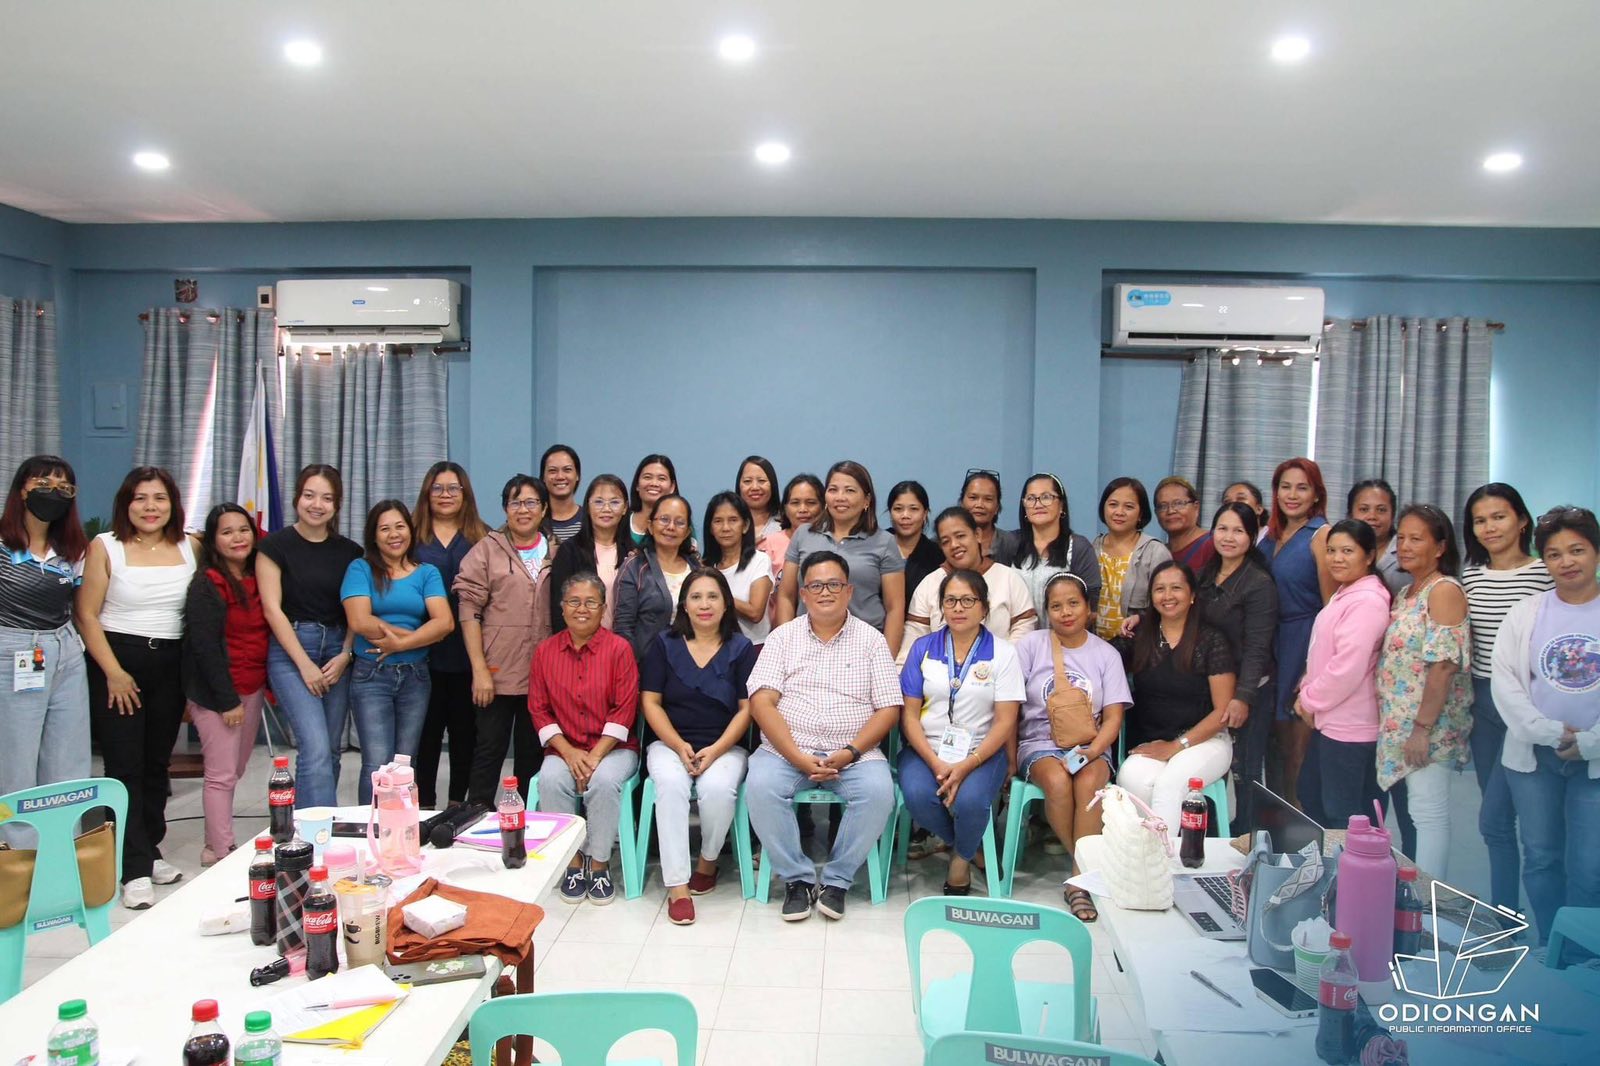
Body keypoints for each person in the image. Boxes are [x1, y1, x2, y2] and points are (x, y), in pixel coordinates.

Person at [746, 551, 901, 921]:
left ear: (849, 591)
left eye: (834, 584)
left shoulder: (872, 640)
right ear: (803, 594)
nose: (825, 592)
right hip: (787, 751)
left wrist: (850, 752)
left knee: (879, 793)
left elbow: (888, 709)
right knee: (761, 787)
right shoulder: (782, 637)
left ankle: (837, 880)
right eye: (816, 586)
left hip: (855, 754)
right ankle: (797, 879)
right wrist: (797, 756)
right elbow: (762, 702)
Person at [76, 466, 197, 909]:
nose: (150, 507)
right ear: (126, 504)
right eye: (140, 498)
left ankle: (149, 849)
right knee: (124, 767)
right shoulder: (105, 546)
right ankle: (132, 869)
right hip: (118, 665)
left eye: (159, 498)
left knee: (156, 765)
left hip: (171, 666)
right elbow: (86, 615)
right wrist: (113, 671)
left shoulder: (190, 546)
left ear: (172, 504)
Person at [1492, 506, 1600, 944]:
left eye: (1577, 550)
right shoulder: (1526, 613)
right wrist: (1549, 732)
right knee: (1540, 857)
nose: (1566, 562)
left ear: (1596, 552)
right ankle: (1553, 946)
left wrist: (1590, 742)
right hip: (1536, 758)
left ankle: (1583, 952)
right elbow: (1505, 682)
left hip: (1595, 762)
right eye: (1554, 554)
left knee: (1589, 866)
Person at [639, 568, 756, 925]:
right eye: (696, 597)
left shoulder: (742, 648)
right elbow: (650, 702)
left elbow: (746, 709)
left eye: (713, 597)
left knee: (718, 789)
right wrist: (678, 746)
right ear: (684, 605)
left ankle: (707, 862)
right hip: (669, 743)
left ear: (726, 604)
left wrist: (717, 749)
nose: (705, 605)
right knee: (671, 785)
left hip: (725, 745)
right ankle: (677, 886)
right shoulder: (664, 644)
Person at [898, 569, 1022, 895]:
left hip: (982, 751)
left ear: (984, 607)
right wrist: (936, 762)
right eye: (950, 600)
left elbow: (1006, 721)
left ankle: (960, 860)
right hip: (926, 749)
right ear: (941, 607)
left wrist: (967, 764)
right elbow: (909, 716)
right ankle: (968, 847)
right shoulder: (922, 648)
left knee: (971, 802)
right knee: (918, 796)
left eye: (968, 600)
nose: (958, 608)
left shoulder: (1004, 653)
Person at [1014, 573, 1130, 921]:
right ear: (1046, 611)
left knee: (1089, 783)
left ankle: (1078, 882)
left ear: (1088, 608)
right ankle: (1089, 873)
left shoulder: (1106, 654)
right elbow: (1009, 705)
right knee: (1058, 781)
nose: (1065, 612)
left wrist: (1093, 751)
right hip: (1039, 743)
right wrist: (1007, 758)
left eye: (1073, 604)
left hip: (1092, 743)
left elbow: (1113, 718)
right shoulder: (1031, 646)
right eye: (1056, 606)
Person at [1461, 482, 1552, 910]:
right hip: (1483, 703)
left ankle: (1538, 920)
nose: (1489, 527)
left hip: (1528, 703)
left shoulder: (1545, 573)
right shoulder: (1471, 576)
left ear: (1522, 520)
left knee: (1508, 819)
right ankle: (1505, 916)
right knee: (1497, 823)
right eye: (1480, 520)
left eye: (1499, 517)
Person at [257, 464, 362, 809]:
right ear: (297, 498)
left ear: (337, 504)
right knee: (314, 747)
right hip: (292, 651)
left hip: (337, 652)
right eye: (309, 495)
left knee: (330, 749)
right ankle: (316, 833)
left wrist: (346, 653)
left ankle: (316, 823)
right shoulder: (274, 546)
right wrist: (304, 665)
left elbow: (355, 609)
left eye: (327, 498)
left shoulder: (350, 552)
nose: (317, 505)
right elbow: (272, 610)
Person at [532, 572, 640, 906]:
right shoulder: (545, 651)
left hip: (615, 748)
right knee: (550, 779)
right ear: (562, 607)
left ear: (603, 608)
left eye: (591, 602)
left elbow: (625, 709)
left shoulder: (619, 649)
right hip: (564, 748)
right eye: (574, 602)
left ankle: (600, 863)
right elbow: (538, 709)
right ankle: (573, 862)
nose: (582, 609)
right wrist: (569, 752)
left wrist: (594, 756)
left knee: (604, 781)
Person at [1376, 504, 1472, 878]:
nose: (1404, 546)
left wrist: (1422, 729)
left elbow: (1443, 666)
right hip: (1402, 725)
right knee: (1417, 813)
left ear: (1440, 547)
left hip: (1429, 727)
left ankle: (1432, 901)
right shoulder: (1407, 593)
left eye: (1416, 539)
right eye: (1401, 538)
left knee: (1428, 814)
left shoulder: (1444, 590)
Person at [1114, 561, 1237, 839]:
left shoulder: (1211, 640)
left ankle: (1163, 859)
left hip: (1206, 741)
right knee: (1130, 777)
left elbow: (1222, 712)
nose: (1167, 596)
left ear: (1192, 595)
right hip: (1155, 741)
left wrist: (1175, 746)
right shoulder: (1140, 636)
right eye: (1160, 589)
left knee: (1170, 784)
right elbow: (1100, 656)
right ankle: (1155, 850)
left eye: (1176, 588)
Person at [341, 500, 453, 805]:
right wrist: (420, 636)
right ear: (373, 536)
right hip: (371, 674)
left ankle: (401, 828)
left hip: (416, 676)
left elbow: (444, 623)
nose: (394, 534)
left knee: (406, 763)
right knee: (376, 763)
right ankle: (372, 828)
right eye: (384, 528)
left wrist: (401, 644)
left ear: (410, 531)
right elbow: (359, 621)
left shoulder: (427, 573)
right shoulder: (361, 569)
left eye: (400, 526)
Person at [456, 475, 558, 805]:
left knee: (532, 753)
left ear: (544, 509)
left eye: (531, 502)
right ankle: (477, 814)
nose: (523, 510)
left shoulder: (557, 551)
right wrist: (479, 670)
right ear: (505, 508)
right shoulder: (487, 550)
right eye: (515, 502)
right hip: (496, 672)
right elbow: (468, 611)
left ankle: (526, 821)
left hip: (542, 674)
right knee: (489, 749)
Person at [182, 504, 269, 866]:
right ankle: (222, 852)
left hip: (252, 686)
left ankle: (211, 844)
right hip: (219, 694)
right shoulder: (207, 583)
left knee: (235, 770)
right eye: (227, 532)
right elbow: (204, 647)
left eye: (243, 530)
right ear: (214, 540)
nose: (238, 538)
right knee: (220, 775)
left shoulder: (259, 576)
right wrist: (227, 701)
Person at [0, 456, 90, 799]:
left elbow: (82, 609)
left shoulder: (74, 549)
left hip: (65, 652)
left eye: (63, 487)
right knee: (16, 759)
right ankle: (16, 834)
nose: (53, 492)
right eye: (42, 484)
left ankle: (63, 829)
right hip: (13, 650)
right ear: (22, 490)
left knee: (69, 758)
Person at [1292, 520, 1391, 829]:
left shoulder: (1368, 601)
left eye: (1347, 551)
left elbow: (1348, 667)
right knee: (1313, 797)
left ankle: (1352, 863)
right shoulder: (1347, 592)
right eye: (1331, 551)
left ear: (1369, 555)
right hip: (1332, 720)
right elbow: (1323, 654)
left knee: (1344, 814)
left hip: (1351, 727)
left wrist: (1308, 699)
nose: (1336, 558)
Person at [1195, 502, 1279, 831]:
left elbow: (1259, 647)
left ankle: (1246, 840)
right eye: (1222, 529)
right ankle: (1215, 837)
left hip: (1249, 690)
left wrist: (1243, 697)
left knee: (1244, 771)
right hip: (1213, 687)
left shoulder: (1258, 583)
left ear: (1252, 536)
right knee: (1214, 770)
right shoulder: (1206, 574)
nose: (1228, 537)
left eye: (1238, 531)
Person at [412, 461, 488, 809]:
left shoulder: (483, 537)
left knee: (465, 738)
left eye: (453, 488)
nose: (445, 495)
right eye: (438, 488)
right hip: (420, 655)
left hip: (468, 655)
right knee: (424, 739)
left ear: (465, 493)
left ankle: (457, 807)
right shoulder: (411, 537)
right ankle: (423, 808)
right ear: (427, 493)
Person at [1260, 457, 1334, 808]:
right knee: (1271, 747)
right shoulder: (1269, 535)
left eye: (1302, 488)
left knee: (1296, 751)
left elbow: (1331, 607)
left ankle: (1301, 824)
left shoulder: (1321, 535)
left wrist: (1311, 666)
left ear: (1316, 494)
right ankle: (1274, 822)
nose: (1292, 495)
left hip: (1303, 641)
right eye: (1285, 487)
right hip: (1268, 643)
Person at [777, 460, 907, 657]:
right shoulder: (803, 534)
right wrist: (787, 646)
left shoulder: (884, 541)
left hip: (863, 646)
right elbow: (786, 596)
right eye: (833, 490)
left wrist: (885, 658)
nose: (840, 497)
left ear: (867, 500)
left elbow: (895, 608)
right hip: (807, 645)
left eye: (849, 490)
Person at [903, 507, 1036, 657]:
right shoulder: (929, 584)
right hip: (940, 668)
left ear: (977, 534)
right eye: (946, 541)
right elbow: (913, 638)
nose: (954, 545)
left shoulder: (1008, 578)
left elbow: (1024, 626)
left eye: (960, 536)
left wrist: (1003, 660)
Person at [999, 473, 1101, 617]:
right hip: (1015, 630)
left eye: (1046, 497)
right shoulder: (1009, 542)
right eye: (1031, 498)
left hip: (1065, 630)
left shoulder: (1079, 547)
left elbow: (1091, 607)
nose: (1038, 504)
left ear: (1061, 505)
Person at [615, 493, 698, 661]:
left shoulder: (697, 569)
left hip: (692, 665)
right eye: (664, 519)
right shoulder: (634, 567)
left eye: (680, 522)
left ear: (687, 532)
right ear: (651, 526)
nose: (671, 527)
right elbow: (623, 628)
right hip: (645, 666)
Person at [1092, 477, 1171, 641]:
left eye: (1128, 507)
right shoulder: (1092, 548)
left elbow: (1168, 604)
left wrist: (1141, 619)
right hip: (1094, 648)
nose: (1119, 512)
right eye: (1113, 504)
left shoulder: (1155, 552)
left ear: (1140, 513)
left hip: (1137, 646)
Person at [703, 492, 772, 646]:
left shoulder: (759, 560)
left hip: (753, 646)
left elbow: (755, 613)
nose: (725, 528)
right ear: (710, 528)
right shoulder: (706, 566)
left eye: (733, 520)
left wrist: (718, 595)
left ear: (745, 525)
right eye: (718, 521)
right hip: (713, 646)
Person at [1348, 479, 1410, 595]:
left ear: (1392, 515)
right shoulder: (1340, 551)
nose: (1372, 516)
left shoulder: (1406, 550)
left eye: (1381, 510)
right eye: (1364, 509)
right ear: (1350, 515)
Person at [887, 480, 944, 603]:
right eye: (898, 509)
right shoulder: (875, 545)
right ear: (890, 513)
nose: (905, 515)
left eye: (913, 509)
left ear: (925, 513)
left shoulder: (937, 555)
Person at [1154, 476, 1216, 572]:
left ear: (1196, 508)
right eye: (1163, 506)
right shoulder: (1157, 553)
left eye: (1178, 504)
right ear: (1156, 513)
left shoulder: (1212, 545)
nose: (1170, 511)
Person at [737, 455, 786, 576]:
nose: (755, 487)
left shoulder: (785, 524)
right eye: (747, 481)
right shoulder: (729, 526)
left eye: (762, 481)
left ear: (772, 485)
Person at [959, 469, 1016, 561]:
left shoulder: (1011, 543)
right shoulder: (945, 542)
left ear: (997, 507)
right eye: (973, 498)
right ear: (962, 502)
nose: (979, 505)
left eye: (988, 499)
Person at [626, 454, 678, 545]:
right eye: (647, 477)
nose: (654, 483)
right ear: (637, 484)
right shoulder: (622, 522)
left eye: (661, 478)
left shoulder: (679, 524)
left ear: (672, 487)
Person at [541, 444, 584, 542]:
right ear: (543, 477)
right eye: (552, 471)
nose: (560, 476)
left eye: (567, 470)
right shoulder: (534, 521)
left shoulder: (590, 520)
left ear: (577, 475)